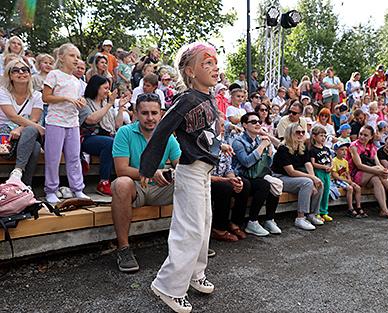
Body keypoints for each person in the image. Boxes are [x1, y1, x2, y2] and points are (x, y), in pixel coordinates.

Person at [139, 42, 226, 313]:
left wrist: (219, 145)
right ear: (189, 71)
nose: (214, 67)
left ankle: (195, 273)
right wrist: (147, 168)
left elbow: (203, 134)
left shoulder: (209, 97)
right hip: (189, 171)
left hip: (205, 171)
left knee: (204, 225)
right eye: (206, 63)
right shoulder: (186, 99)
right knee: (188, 229)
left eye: (215, 62)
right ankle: (168, 286)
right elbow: (162, 131)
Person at [111, 93, 180, 272]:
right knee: (121, 184)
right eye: (145, 113)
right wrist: (150, 172)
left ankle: (192, 244)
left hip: (160, 188)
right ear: (135, 113)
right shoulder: (124, 132)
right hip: (136, 187)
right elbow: (121, 169)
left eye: (154, 113)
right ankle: (124, 249)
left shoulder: (167, 136)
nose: (150, 118)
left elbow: (181, 165)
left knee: (191, 182)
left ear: (161, 114)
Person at [42, 43, 89, 204]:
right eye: (72, 55)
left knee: (74, 157)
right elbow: (46, 98)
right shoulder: (54, 74)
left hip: (73, 123)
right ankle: (51, 190)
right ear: (61, 57)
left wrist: (80, 101)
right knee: (53, 157)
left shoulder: (77, 81)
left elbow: (78, 99)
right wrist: (65, 98)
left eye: (78, 56)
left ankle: (78, 189)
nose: (76, 59)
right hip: (55, 121)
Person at [346, 125, 388, 220]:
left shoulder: (372, 147)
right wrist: (380, 171)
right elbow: (359, 165)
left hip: (369, 175)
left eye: (365, 135)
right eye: (361, 134)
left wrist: (383, 170)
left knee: (377, 179)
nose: (362, 137)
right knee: (379, 173)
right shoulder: (354, 146)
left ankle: (385, 210)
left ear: (371, 137)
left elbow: (378, 163)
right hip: (354, 175)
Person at [232, 112, 282, 237]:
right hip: (242, 175)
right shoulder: (238, 141)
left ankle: (269, 219)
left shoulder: (261, 139)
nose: (257, 124)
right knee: (261, 185)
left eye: (259, 122)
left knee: (275, 183)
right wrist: (261, 147)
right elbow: (246, 162)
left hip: (256, 174)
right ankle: (251, 222)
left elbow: (267, 164)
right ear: (244, 125)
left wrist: (269, 152)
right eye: (253, 122)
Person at [79, 75, 130, 195]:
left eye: (108, 88)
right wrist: (109, 104)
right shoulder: (84, 101)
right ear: (96, 88)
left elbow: (117, 125)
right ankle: (104, 182)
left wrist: (121, 107)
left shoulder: (106, 104)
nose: (108, 91)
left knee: (124, 141)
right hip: (87, 137)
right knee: (110, 143)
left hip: (106, 136)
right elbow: (90, 120)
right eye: (105, 88)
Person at [271, 124, 324, 230]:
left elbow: (308, 164)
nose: (301, 135)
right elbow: (291, 172)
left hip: (292, 178)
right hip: (279, 178)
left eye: (303, 132)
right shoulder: (283, 149)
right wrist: (311, 178)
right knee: (307, 182)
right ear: (290, 133)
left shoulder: (301, 146)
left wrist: (314, 179)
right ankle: (300, 218)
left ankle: (312, 214)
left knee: (319, 183)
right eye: (297, 132)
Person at [0, 59, 44, 186]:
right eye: (16, 70)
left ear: (30, 74)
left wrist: (19, 129)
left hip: (24, 134)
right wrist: (38, 128)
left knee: (31, 129)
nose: (21, 72)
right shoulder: (3, 92)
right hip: (5, 136)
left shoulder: (37, 96)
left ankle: (18, 172)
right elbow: (12, 116)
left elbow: (34, 119)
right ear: (10, 76)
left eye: (25, 70)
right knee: (35, 147)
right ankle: (26, 185)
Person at [331, 142, 363, 217]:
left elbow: (347, 173)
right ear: (335, 151)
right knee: (350, 188)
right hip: (337, 180)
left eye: (346, 149)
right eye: (342, 149)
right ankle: (350, 209)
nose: (344, 152)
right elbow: (335, 175)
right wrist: (347, 181)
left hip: (344, 180)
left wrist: (350, 180)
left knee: (358, 188)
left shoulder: (345, 161)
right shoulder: (334, 161)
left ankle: (358, 207)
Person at [309, 126, 333, 222]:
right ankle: (317, 212)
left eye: (324, 135)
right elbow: (313, 163)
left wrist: (330, 167)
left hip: (327, 173)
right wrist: (324, 167)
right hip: (319, 172)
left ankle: (324, 212)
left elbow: (331, 160)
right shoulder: (313, 150)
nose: (323, 138)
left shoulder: (326, 149)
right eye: (321, 135)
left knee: (326, 191)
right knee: (320, 191)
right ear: (314, 136)